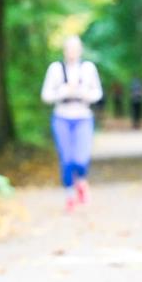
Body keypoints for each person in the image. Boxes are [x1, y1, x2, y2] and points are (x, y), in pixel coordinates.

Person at [40, 35, 103, 212]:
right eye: (69, 49)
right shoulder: (56, 69)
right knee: (66, 158)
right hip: (62, 116)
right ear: (64, 51)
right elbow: (46, 95)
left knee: (81, 158)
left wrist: (84, 93)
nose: (72, 52)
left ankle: (81, 181)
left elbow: (97, 93)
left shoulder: (88, 68)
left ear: (80, 50)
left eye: (75, 48)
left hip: (83, 116)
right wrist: (63, 92)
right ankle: (69, 194)